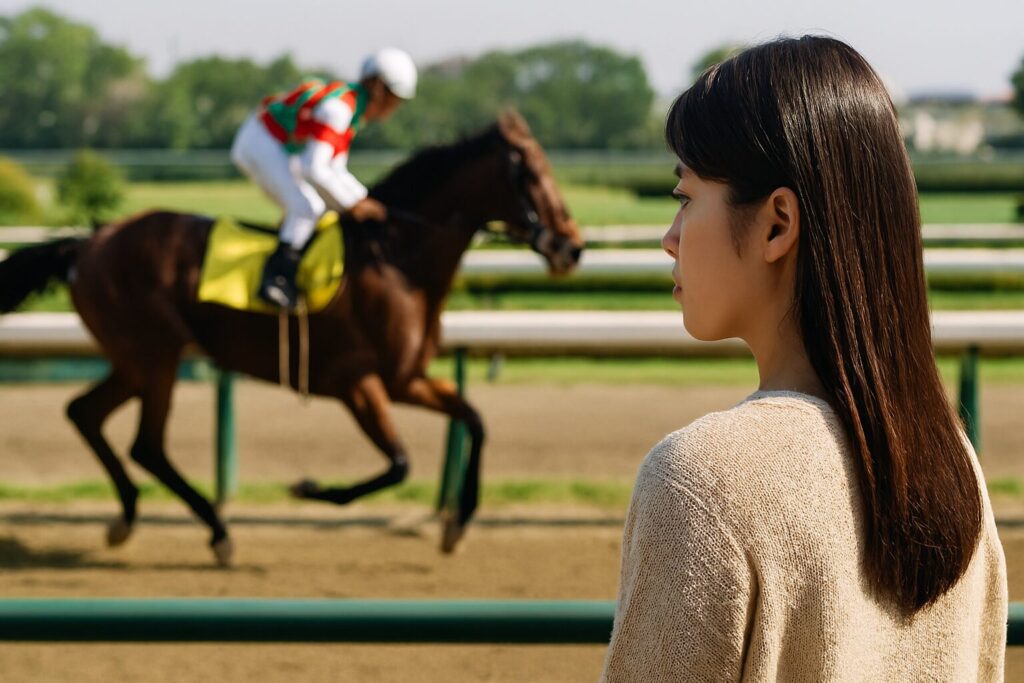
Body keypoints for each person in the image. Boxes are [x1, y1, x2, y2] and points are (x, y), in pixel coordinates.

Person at [601, 36, 1007, 681]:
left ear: (776, 224)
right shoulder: (952, 463)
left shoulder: (704, 481)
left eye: (685, 197)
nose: (669, 238)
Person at [230, 48, 417, 308]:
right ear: (377, 87)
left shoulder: (351, 109)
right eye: (394, 99)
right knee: (308, 208)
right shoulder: (338, 110)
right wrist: (354, 205)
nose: (394, 107)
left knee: (318, 206)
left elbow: (336, 170)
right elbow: (314, 169)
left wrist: (368, 200)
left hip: (271, 142)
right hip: (258, 142)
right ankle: (274, 280)